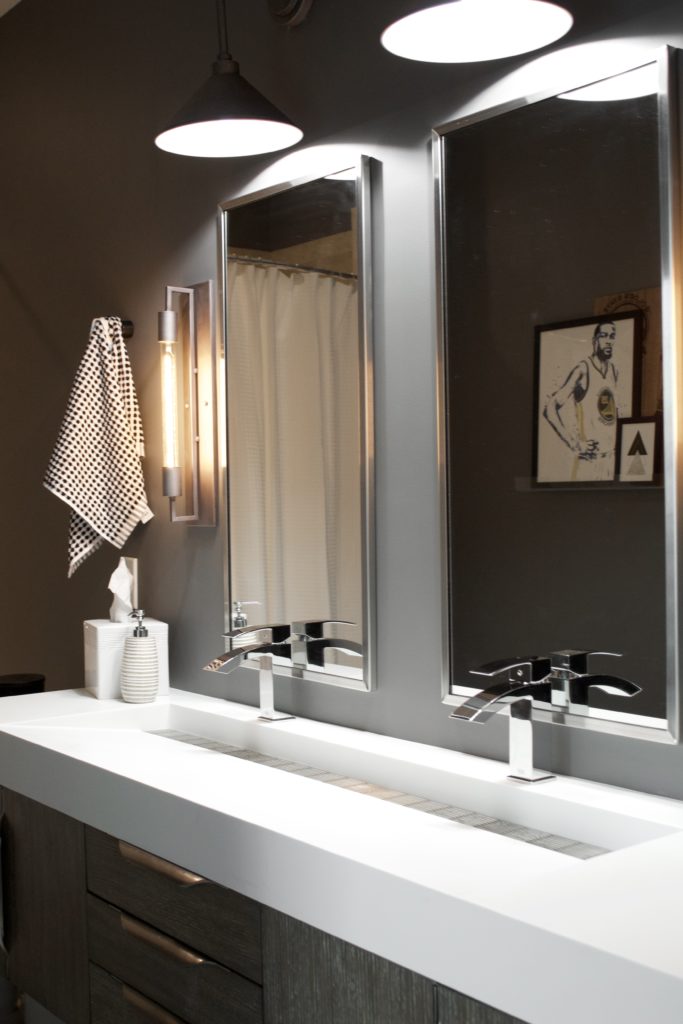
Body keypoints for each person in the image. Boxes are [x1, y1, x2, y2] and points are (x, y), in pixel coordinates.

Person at [542, 319, 621, 481]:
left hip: (612, 459)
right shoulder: (583, 369)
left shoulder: (614, 371)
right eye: (604, 336)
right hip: (590, 461)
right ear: (595, 341)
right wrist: (575, 443)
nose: (608, 341)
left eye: (612, 336)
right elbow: (550, 408)